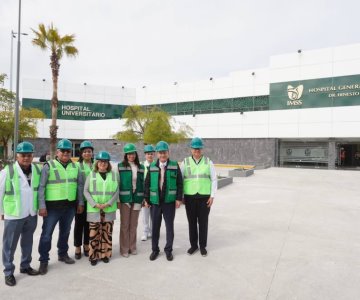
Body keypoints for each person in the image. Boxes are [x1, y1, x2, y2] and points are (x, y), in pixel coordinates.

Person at [37, 139, 84, 275]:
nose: (65, 153)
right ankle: (43, 260)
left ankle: (62, 254)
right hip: (52, 207)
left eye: (68, 151)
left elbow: (80, 186)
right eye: (63, 151)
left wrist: (80, 203)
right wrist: (42, 206)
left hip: (69, 207)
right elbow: (41, 187)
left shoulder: (76, 167)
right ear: (57, 152)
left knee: (65, 232)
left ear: (71, 152)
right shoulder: (49, 166)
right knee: (46, 235)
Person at [0, 142, 40, 286]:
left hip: (31, 213)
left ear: (32, 156)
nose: (26, 158)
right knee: (9, 245)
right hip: (14, 214)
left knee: (27, 242)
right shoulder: (8, 171)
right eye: (23, 155)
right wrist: (1, 211)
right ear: (17, 156)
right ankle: (8, 272)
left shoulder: (36, 169)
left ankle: (25, 266)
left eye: (29, 155)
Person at [144, 141, 183, 261]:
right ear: (157, 154)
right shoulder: (152, 167)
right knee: (155, 228)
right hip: (155, 202)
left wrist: (178, 199)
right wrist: (146, 199)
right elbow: (147, 184)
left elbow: (179, 183)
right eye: (160, 153)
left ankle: (168, 250)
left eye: (164, 152)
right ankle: (155, 250)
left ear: (168, 153)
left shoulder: (174, 165)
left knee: (169, 227)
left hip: (169, 203)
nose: (162, 155)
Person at [181, 137, 217, 257]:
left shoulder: (208, 162)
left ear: (201, 149)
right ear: (191, 149)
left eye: (199, 148)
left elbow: (214, 179)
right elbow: (180, 180)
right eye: (194, 148)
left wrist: (212, 196)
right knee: (191, 222)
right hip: (189, 197)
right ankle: (193, 245)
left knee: (203, 222)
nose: (197, 150)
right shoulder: (185, 162)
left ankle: (202, 246)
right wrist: (181, 196)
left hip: (204, 197)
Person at [84, 151, 119, 266]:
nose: (103, 164)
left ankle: (105, 255)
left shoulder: (114, 175)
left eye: (105, 162)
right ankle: (93, 256)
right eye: (101, 161)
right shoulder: (92, 175)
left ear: (108, 163)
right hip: (95, 209)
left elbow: (116, 191)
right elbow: (86, 191)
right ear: (97, 163)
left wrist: (109, 203)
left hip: (108, 209)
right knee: (94, 234)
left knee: (107, 233)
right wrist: (94, 204)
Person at [118, 143, 145, 257]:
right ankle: (124, 249)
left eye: (133, 153)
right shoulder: (120, 166)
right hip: (125, 200)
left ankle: (132, 247)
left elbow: (142, 184)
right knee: (125, 225)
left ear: (135, 154)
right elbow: (118, 184)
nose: (131, 156)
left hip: (137, 199)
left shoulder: (141, 167)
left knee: (134, 225)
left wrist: (143, 199)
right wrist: (118, 200)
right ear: (126, 155)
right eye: (129, 154)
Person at [74, 141, 94, 259]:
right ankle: (77, 246)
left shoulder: (95, 164)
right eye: (85, 151)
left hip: (92, 201)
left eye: (89, 151)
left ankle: (87, 245)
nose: (87, 153)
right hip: (81, 200)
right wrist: (80, 202)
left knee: (88, 225)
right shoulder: (77, 166)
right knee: (79, 224)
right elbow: (78, 185)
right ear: (81, 153)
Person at [141, 144, 155, 241]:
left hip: (154, 194)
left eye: (151, 154)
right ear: (145, 155)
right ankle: (145, 232)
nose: (149, 156)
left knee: (153, 214)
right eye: (148, 154)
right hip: (144, 194)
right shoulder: (142, 166)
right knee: (145, 214)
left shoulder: (156, 165)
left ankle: (152, 231)